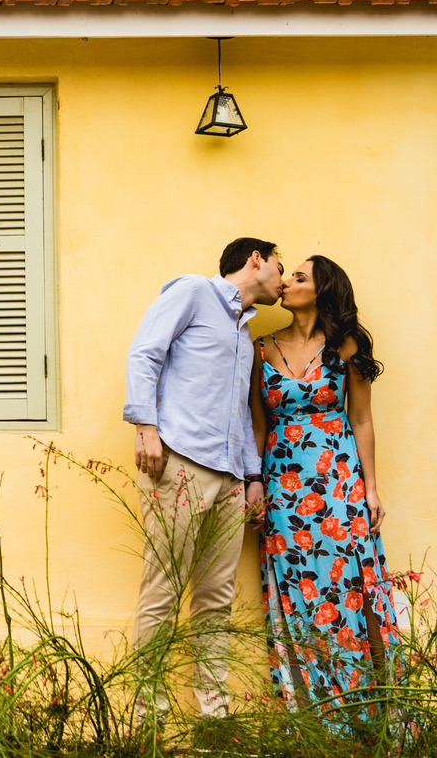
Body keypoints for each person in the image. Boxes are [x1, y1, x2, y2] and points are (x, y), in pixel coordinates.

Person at [123, 237, 284, 721]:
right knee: (164, 587)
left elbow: (240, 412)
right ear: (256, 259)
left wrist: (253, 477)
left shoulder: (244, 333)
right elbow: (144, 354)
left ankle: (214, 714)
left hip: (232, 477)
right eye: (280, 265)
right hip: (181, 464)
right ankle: (146, 714)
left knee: (215, 600)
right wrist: (146, 428)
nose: (283, 275)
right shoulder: (193, 291)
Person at [248, 255, 398, 721]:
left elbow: (362, 418)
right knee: (295, 589)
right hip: (282, 487)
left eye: (298, 277)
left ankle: (373, 713)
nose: (286, 282)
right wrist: (253, 483)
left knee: (352, 587)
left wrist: (371, 488)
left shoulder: (347, 347)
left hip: (339, 483)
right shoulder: (260, 347)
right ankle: (313, 718)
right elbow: (257, 424)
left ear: (321, 289)